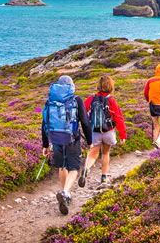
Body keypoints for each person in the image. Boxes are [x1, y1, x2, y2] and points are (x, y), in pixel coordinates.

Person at [41, 75, 92, 215]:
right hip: (72, 139)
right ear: (71, 86)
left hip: (55, 139)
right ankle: (65, 193)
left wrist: (45, 145)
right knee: (74, 168)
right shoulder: (76, 100)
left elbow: (44, 123)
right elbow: (85, 122)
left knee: (62, 166)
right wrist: (90, 140)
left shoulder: (50, 101)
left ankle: (66, 194)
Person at [79, 75, 127, 187]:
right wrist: (122, 135)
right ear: (110, 86)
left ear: (99, 86)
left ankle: (86, 169)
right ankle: (104, 177)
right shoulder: (111, 100)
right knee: (105, 153)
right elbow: (119, 118)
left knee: (93, 154)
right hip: (108, 131)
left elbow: (82, 113)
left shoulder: (90, 99)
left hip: (94, 131)